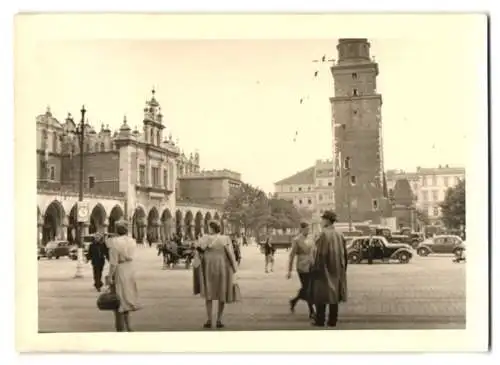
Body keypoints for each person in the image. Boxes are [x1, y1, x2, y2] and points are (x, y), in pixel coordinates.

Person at [194, 220, 238, 329]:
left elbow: (199, 252)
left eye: (209, 227)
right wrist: (234, 268)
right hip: (222, 268)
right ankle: (219, 320)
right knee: (221, 294)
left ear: (211, 228)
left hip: (208, 268)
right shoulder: (225, 239)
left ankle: (209, 320)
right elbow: (230, 254)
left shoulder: (204, 238)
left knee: (208, 295)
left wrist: (196, 264)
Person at [309, 210, 348, 328]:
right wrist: (343, 270)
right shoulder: (340, 235)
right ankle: (333, 320)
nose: (321, 221)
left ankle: (320, 320)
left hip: (324, 269)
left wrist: (315, 269)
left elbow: (320, 254)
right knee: (334, 296)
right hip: (337, 270)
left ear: (326, 220)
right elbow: (345, 255)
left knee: (320, 295)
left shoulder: (323, 234)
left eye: (322, 219)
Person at [106, 219, 141, 332]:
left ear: (116, 230)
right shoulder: (132, 241)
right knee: (127, 299)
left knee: (118, 301)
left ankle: (120, 329)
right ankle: (129, 326)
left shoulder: (114, 242)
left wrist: (109, 276)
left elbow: (113, 263)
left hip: (120, 270)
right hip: (130, 270)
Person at [287, 222, 315, 320]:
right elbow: (292, 255)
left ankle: (294, 301)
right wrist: (289, 270)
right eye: (306, 229)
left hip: (311, 265)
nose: (308, 231)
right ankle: (312, 311)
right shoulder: (297, 240)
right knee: (307, 288)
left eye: (308, 229)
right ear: (302, 229)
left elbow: (314, 251)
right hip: (302, 267)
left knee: (308, 288)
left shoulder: (311, 238)